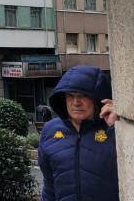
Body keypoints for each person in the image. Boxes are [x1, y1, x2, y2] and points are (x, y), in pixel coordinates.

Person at [38, 65, 119, 201]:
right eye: (70, 96)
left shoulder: (114, 129)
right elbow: (50, 184)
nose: (76, 102)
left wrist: (115, 127)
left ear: (97, 99)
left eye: (83, 95)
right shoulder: (50, 131)